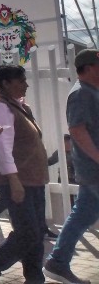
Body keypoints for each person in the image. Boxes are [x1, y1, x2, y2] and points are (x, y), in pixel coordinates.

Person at [0, 65, 49, 284]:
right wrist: (14, 180)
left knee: (36, 232)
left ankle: (35, 277)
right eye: (20, 80)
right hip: (18, 180)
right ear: (6, 83)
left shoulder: (16, 106)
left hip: (32, 179)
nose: (26, 84)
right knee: (28, 232)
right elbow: (2, 147)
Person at [44, 48, 99, 284]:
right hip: (94, 169)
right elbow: (77, 130)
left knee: (82, 215)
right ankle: (57, 262)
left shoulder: (91, 91)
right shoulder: (81, 94)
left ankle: (57, 261)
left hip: (93, 169)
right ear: (88, 68)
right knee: (82, 215)